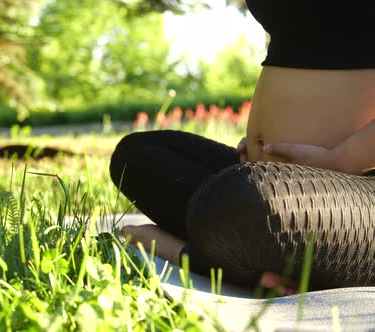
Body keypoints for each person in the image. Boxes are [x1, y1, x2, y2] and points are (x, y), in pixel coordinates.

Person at [109, 2, 375, 295]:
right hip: (286, 185)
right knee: (138, 155)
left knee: (251, 203)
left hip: (361, 187)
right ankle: (257, 260)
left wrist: (340, 160)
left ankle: (197, 257)